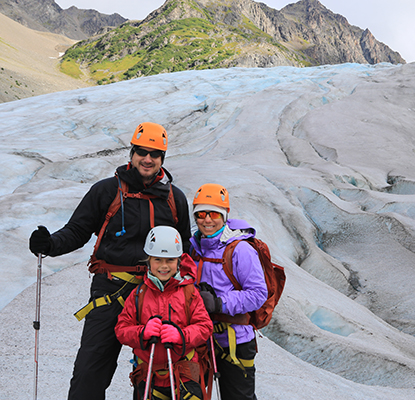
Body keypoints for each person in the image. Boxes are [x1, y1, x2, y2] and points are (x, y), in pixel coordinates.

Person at [28, 122, 191, 400]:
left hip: (158, 293)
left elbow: (185, 247)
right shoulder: (106, 191)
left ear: (163, 158)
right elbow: (77, 230)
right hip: (111, 291)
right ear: (132, 153)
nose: (147, 159)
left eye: (154, 153)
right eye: (142, 151)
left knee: (161, 375)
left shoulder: (175, 199)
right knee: (89, 374)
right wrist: (51, 244)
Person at [189, 183, 268, 400]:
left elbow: (258, 294)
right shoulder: (194, 247)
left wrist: (218, 303)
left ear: (225, 215)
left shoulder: (240, 249)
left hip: (235, 341)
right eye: (201, 213)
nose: (207, 219)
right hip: (200, 339)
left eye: (214, 213)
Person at [115, 226, 213, 399]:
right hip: (149, 375)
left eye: (170, 260)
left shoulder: (189, 292)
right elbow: (122, 329)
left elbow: (205, 326)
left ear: (178, 262)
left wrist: (181, 335)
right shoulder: (139, 294)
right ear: (148, 261)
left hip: (184, 374)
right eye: (158, 260)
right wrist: (143, 332)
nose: (164, 266)